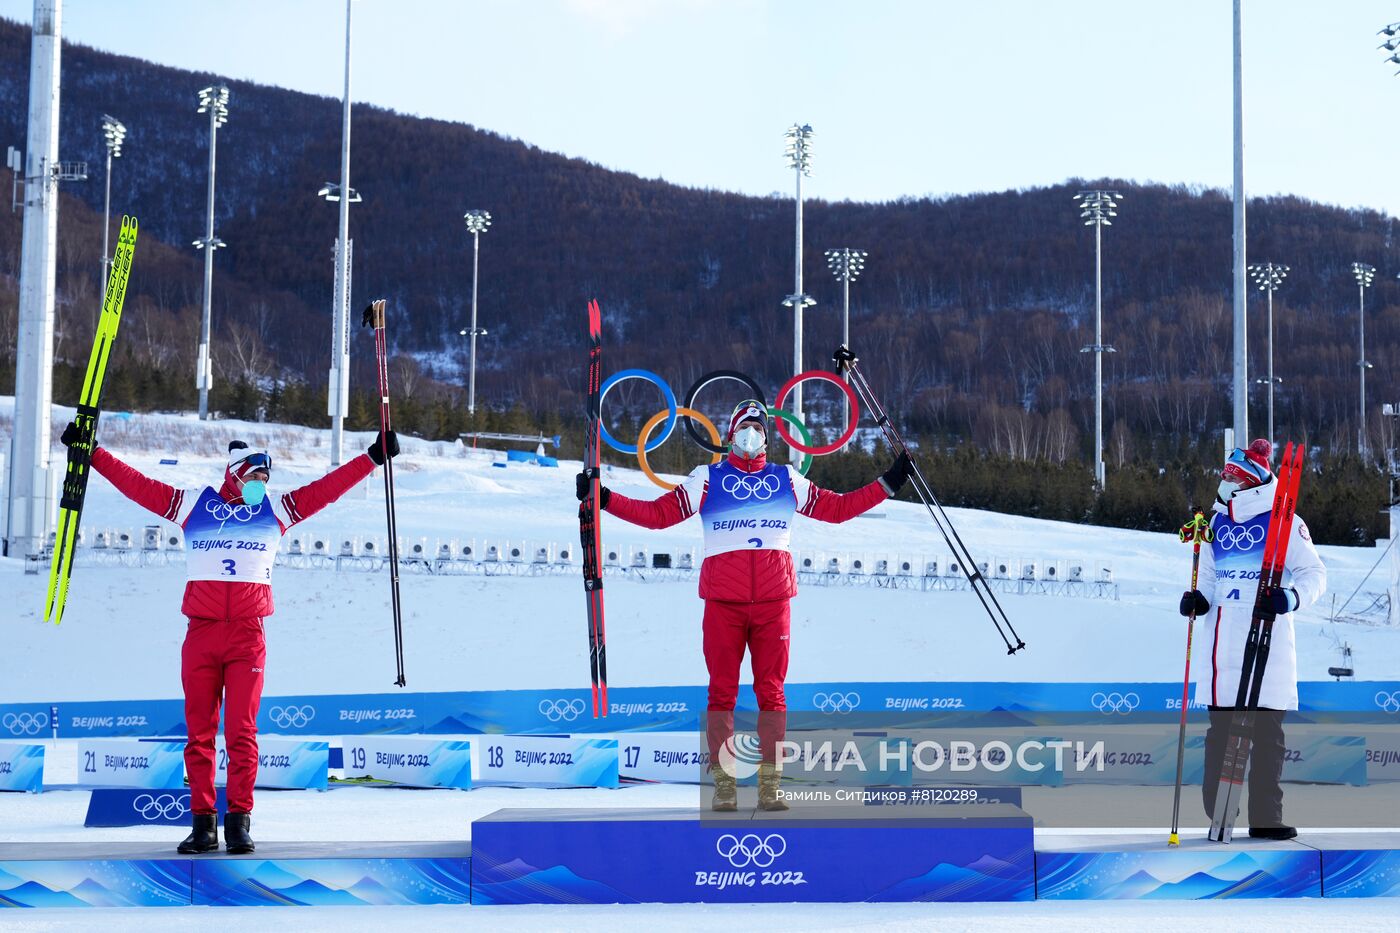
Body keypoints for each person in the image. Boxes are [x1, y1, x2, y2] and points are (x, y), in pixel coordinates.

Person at [62, 423, 399, 853]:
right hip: (200, 634)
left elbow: (326, 490)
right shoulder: (192, 505)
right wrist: (94, 454)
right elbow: (139, 486)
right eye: (255, 477)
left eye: (265, 480)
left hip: (247, 637)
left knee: (242, 732)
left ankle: (239, 822)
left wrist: (371, 457)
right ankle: (203, 825)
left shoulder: (276, 510)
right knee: (199, 735)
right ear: (235, 473)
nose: (262, 485)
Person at [576, 399, 911, 811]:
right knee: (722, 693)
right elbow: (658, 515)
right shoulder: (707, 477)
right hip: (724, 604)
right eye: (744, 427)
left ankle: (770, 786)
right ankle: (725, 785)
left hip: (773, 603)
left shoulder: (787, 478)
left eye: (758, 427)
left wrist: (888, 484)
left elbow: (838, 510)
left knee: (772, 693)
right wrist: (605, 498)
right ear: (730, 434)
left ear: (766, 437)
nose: (751, 434)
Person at [1178, 438, 1326, 839]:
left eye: (1233, 476)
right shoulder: (1216, 523)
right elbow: (1209, 577)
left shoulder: (1286, 522)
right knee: (1219, 739)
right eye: (1225, 476)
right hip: (1222, 647)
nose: (1225, 482)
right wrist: (1198, 600)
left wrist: (1290, 597)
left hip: (1267, 642)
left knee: (1267, 738)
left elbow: (1315, 574)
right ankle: (1219, 813)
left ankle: (1266, 818)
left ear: (1250, 481)